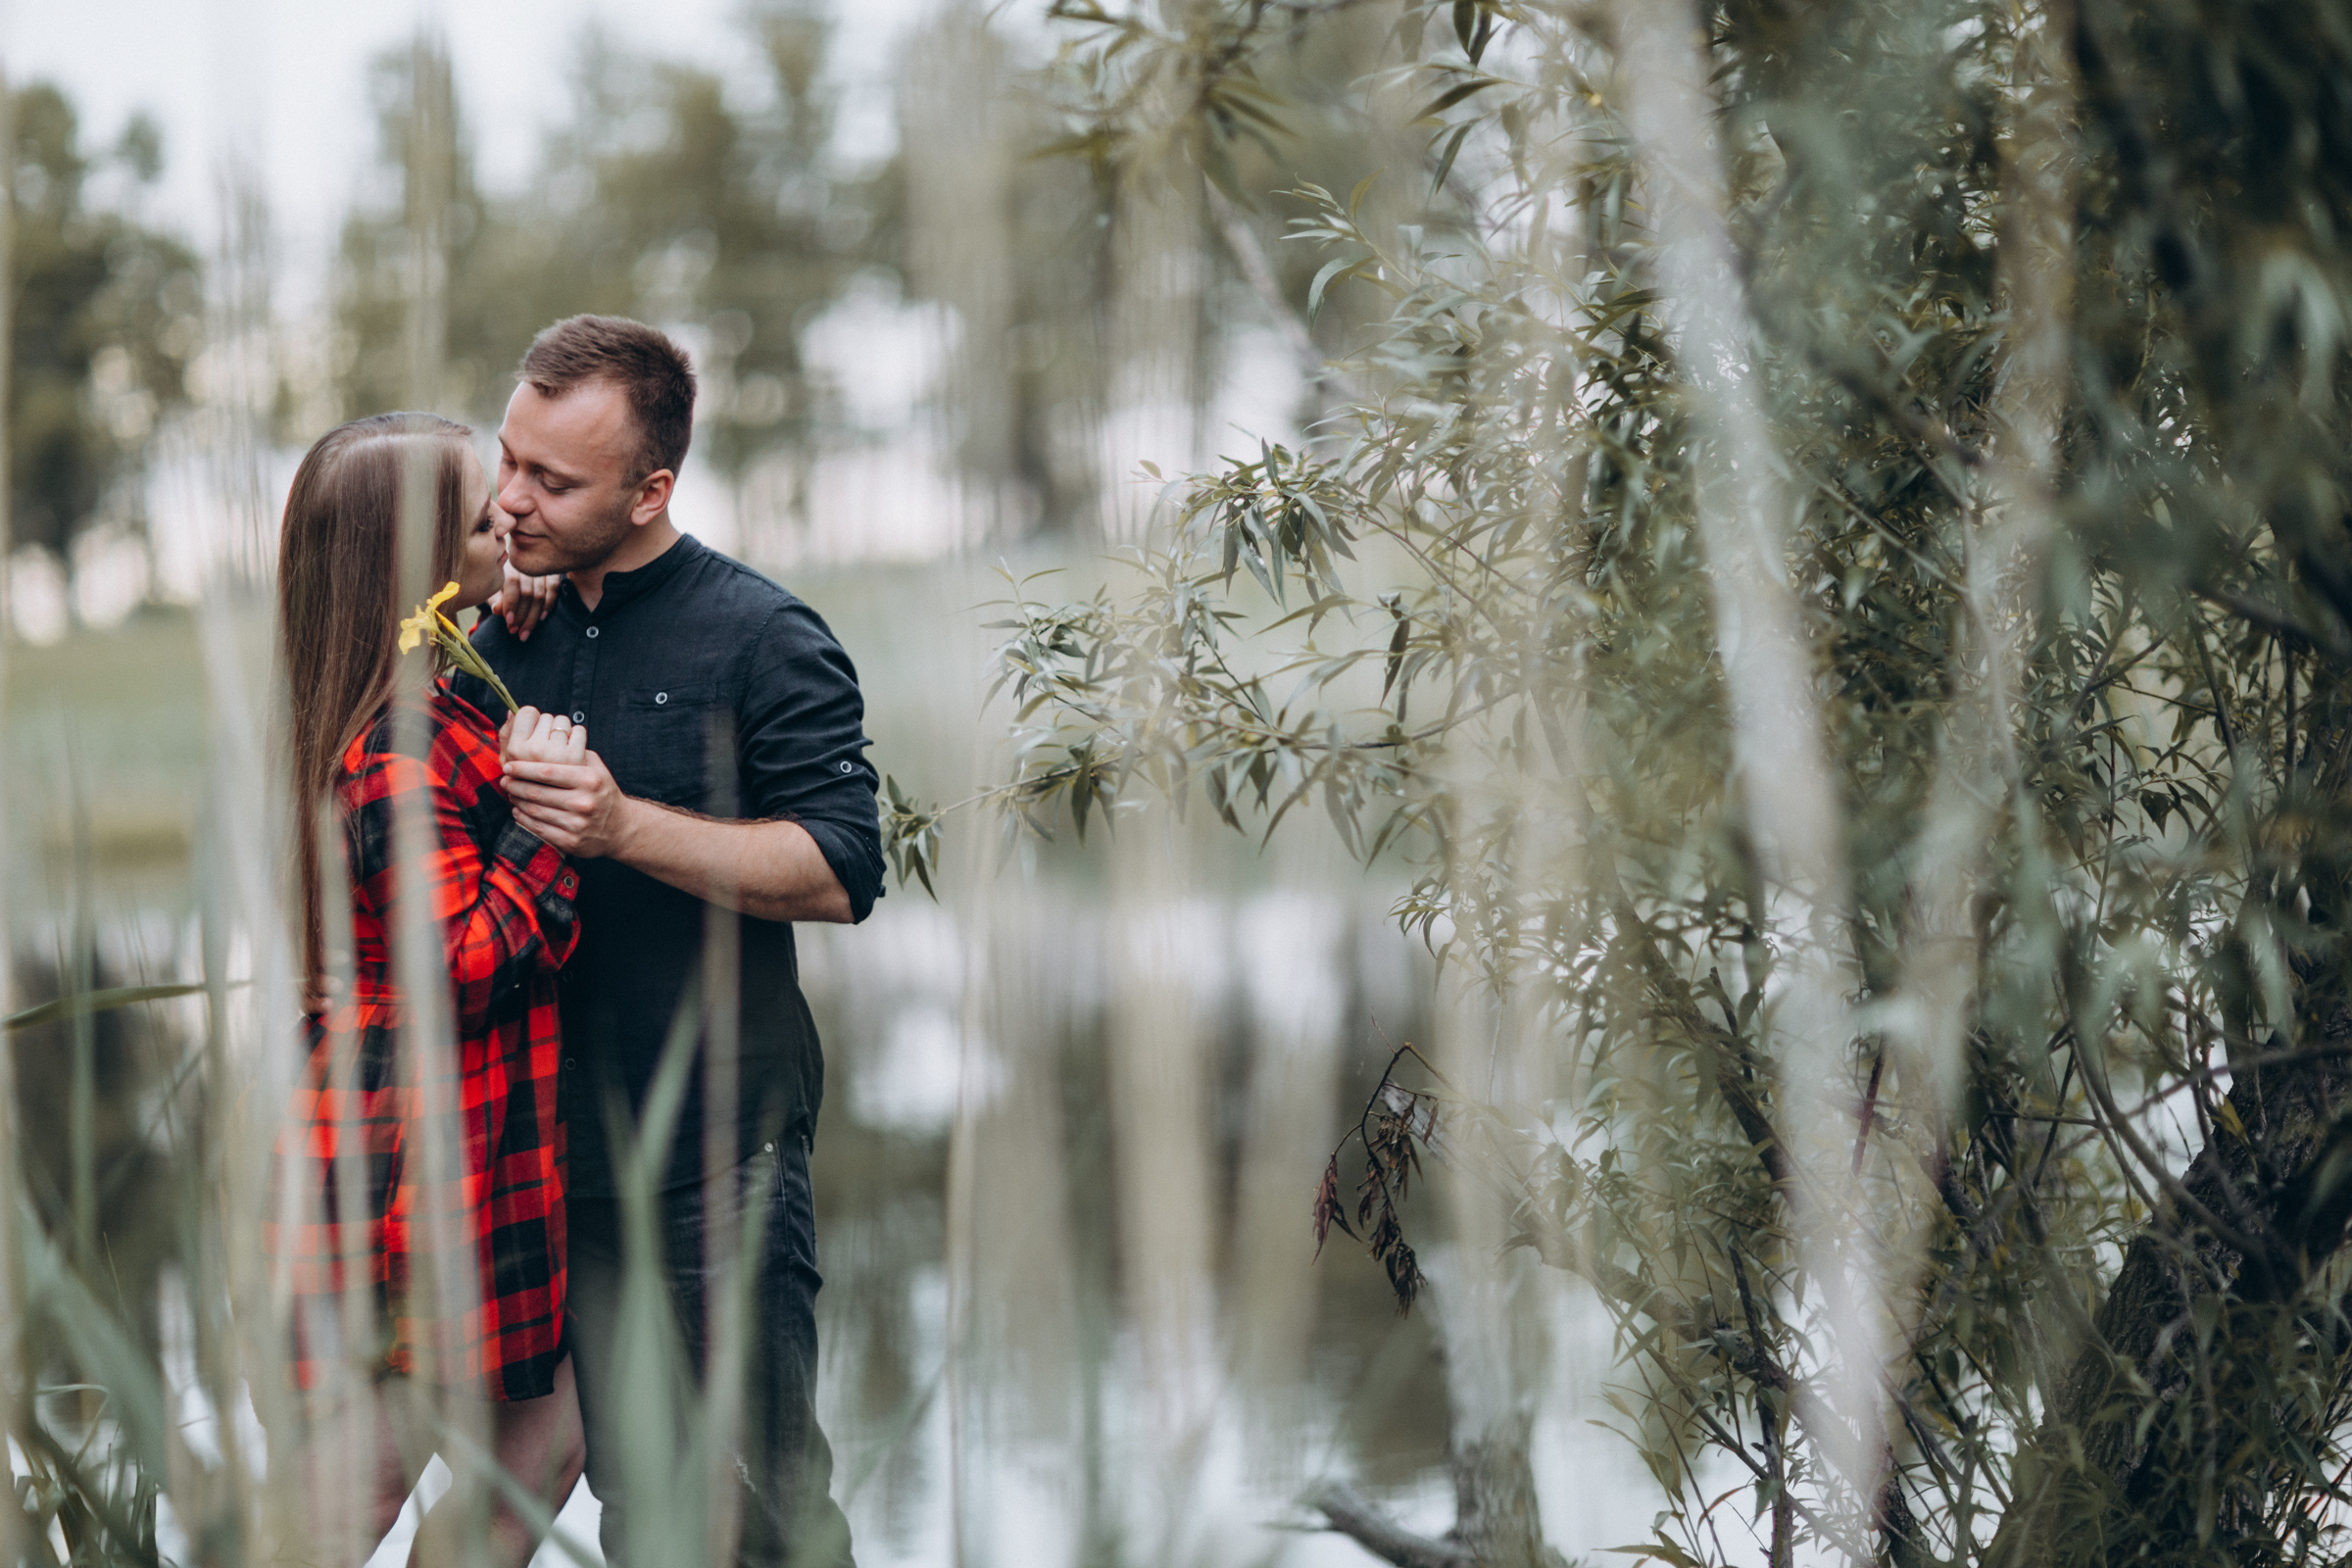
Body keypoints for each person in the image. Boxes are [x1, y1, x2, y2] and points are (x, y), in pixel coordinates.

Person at [464, 316, 880, 1568]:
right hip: (549, 1152)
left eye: (554, 481)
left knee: (765, 1500)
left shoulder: (763, 634)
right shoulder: (502, 629)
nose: (513, 500)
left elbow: (841, 867)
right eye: (509, 462)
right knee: (646, 1507)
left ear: (652, 490)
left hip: (720, 1148)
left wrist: (621, 825)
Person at [270, 412, 589, 1566]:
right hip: (409, 1180)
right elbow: (460, 958)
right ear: (412, 570)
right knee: (350, 1498)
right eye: (477, 513)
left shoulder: (442, 696)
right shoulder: (391, 750)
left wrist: (500, 623)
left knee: (543, 1449)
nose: (507, 514)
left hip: (480, 1163)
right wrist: (553, 821)